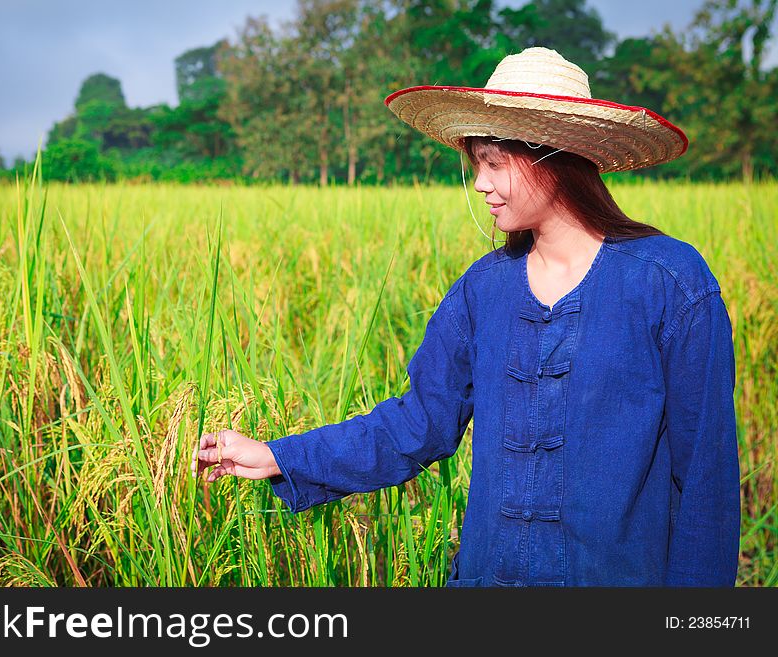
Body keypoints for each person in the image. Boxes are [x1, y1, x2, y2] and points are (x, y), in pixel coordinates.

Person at [195, 47, 741, 587]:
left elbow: (706, 480)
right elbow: (416, 424)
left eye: (494, 163)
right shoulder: (484, 291)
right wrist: (276, 456)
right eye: (476, 163)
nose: (480, 184)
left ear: (552, 157)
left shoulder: (669, 284)